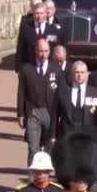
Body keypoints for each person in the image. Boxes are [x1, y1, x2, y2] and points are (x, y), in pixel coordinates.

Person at [16, 38, 65, 166]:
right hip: (33, 113)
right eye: (40, 51)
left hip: (50, 113)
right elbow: (21, 92)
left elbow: (62, 95)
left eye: (46, 51)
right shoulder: (26, 69)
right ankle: (33, 176)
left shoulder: (57, 71)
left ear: (49, 52)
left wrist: (61, 115)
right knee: (33, 147)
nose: (43, 54)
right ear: (35, 51)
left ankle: (46, 176)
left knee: (49, 146)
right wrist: (20, 114)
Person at [56, 61, 97, 141]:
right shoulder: (63, 91)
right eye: (77, 72)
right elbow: (55, 115)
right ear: (72, 74)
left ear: (86, 74)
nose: (79, 75)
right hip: (67, 133)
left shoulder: (95, 92)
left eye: (82, 72)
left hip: (88, 134)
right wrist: (52, 136)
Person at [16, 2, 63, 74]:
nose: (39, 16)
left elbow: (58, 50)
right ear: (33, 14)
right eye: (37, 13)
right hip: (30, 67)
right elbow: (20, 49)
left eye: (41, 13)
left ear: (46, 14)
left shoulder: (54, 29)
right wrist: (18, 68)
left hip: (49, 69)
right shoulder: (26, 29)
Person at [15, 0, 44, 73]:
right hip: (30, 63)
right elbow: (21, 44)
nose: (37, 7)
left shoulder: (51, 23)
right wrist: (18, 66)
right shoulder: (25, 22)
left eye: (39, 5)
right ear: (31, 7)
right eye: (34, 6)